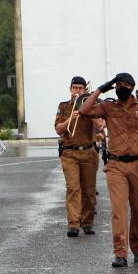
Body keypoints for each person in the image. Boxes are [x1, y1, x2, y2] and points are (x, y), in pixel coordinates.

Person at [79, 72, 138, 268]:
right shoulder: (108, 106)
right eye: (118, 84)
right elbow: (83, 111)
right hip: (116, 165)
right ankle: (120, 253)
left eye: (125, 84)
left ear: (132, 87)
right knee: (119, 210)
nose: (121, 87)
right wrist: (101, 88)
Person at [54, 76, 101, 237]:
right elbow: (59, 129)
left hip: (89, 152)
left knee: (89, 191)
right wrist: (70, 119)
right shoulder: (64, 106)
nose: (78, 91)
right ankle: (73, 224)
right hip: (70, 153)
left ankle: (87, 222)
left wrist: (88, 111)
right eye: (75, 88)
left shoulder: (92, 105)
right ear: (70, 89)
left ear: (85, 90)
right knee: (73, 188)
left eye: (81, 88)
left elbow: (101, 126)